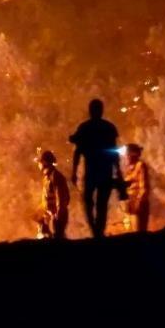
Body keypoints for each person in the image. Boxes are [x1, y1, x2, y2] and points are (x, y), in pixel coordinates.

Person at [69, 98, 122, 238]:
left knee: (89, 201)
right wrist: (118, 172)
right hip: (105, 171)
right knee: (101, 204)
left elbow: (78, 151)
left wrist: (74, 171)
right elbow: (114, 152)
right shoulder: (108, 128)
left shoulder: (85, 128)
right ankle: (98, 231)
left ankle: (95, 230)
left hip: (92, 170)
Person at [37, 150, 70, 239]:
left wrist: (57, 216)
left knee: (57, 239)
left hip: (57, 216)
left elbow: (61, 198)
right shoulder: (47, 177)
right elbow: (46, 199)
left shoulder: (55, 177)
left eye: (40, 162)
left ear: (45, 162)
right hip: (51, 216)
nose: (39, 164)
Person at [123, 144, 150, 233]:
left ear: (133, 155)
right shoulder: (128, 169)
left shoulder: (140, 166)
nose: (125, 157)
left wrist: (138, 203)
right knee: (129, 231)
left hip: (138, 204)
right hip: (129, 204)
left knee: (138, 232)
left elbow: (144, 187)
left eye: (126, 155)